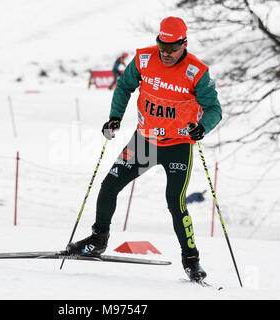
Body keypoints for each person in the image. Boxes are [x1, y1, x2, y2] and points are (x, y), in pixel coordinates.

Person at [66, 17, 222, 282]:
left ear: (184, 43)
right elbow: (125, 86)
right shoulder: (144, 60)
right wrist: (115, 117)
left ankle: (191, 260)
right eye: (162, 45)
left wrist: (203, 127)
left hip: (178, 145)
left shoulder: (196, 71)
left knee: (175, 202)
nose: (166, 52)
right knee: (109, 186)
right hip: (145, 141)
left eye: (173, 47)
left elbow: (214, 109)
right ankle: (98, 239)